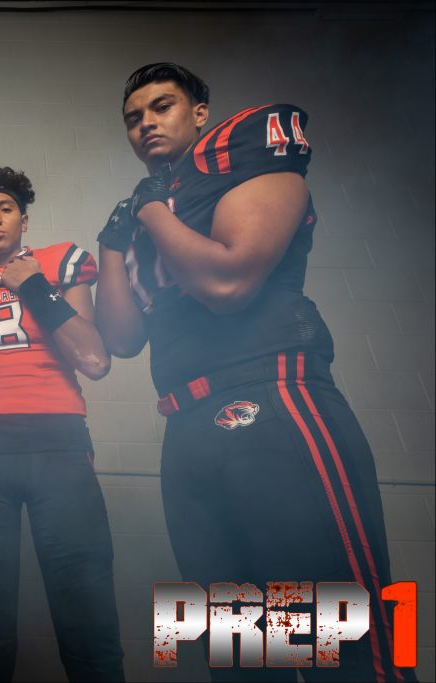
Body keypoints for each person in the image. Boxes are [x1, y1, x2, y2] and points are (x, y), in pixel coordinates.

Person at [95, 62, 415, 682]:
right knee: (238, 656)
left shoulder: (241, 153)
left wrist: (153, 210)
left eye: (162, 106)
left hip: (272, 398)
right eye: (133, 118)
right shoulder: (138, 213)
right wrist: (113, 241)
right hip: (184, 425)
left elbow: (229, 282)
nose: (146, 124)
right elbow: (122, 339)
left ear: (200, 113)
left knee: (347, 641)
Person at [0, 167, 124, 682]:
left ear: (24, 220)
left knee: (87, 609)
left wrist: (34, 286)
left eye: (5, 208)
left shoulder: (58, 262)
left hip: (58, 443)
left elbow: (95, 360)